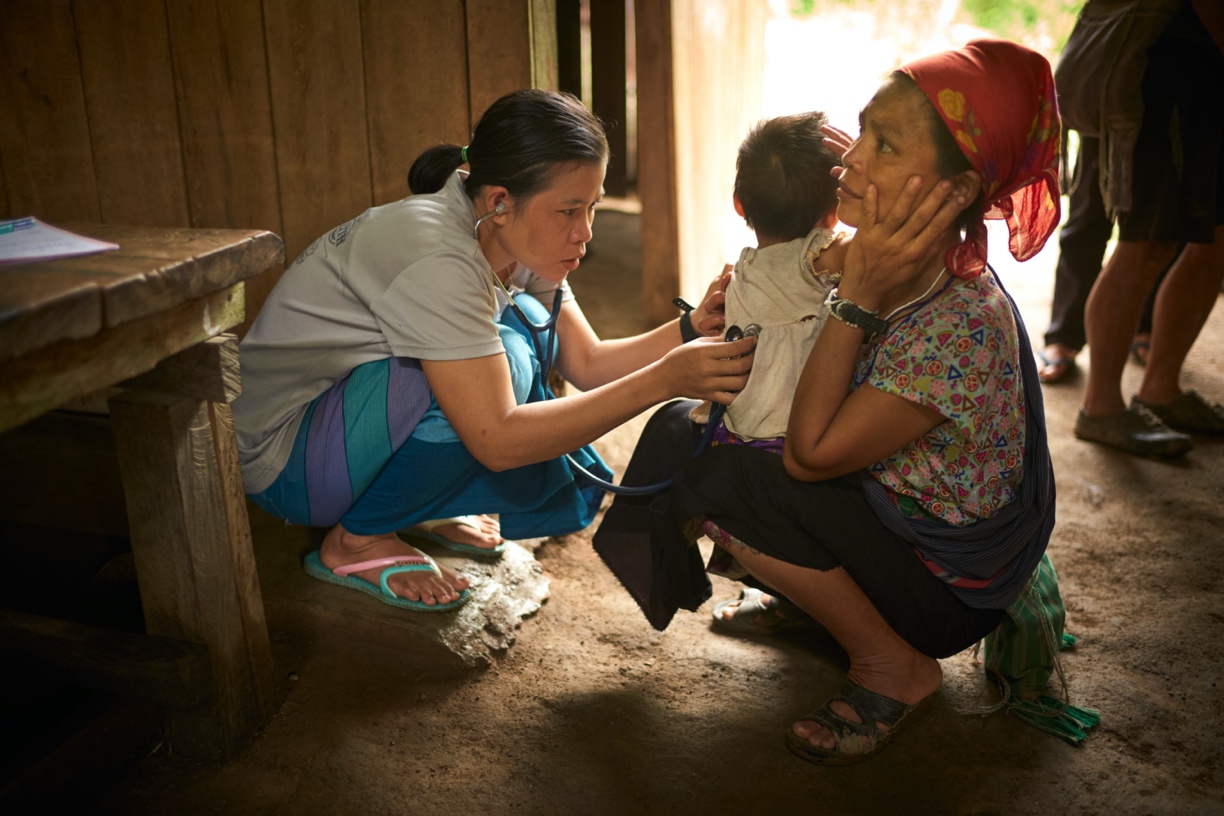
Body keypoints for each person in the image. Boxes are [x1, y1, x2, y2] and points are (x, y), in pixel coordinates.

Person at [594, 39, 1061, 765]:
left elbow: (810, 456)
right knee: (687, 426)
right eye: (862, 129)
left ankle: (894, 666)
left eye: (884, 144)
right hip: (882, 508)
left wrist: (859, 301)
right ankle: (812, 603)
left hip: (946, 592)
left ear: (957, 190)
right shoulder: (879, 256)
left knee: (723, 476)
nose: (849, 163)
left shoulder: (957, 322)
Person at [232, 89, 754, 612]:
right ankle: (356, 540)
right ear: (501, 201)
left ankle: (415, 504)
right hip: (287, 463)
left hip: (345, 429)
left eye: (591, 206)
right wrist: (665, 380)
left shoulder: (507, 231)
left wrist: (689, 328)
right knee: (496, 359)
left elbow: (587, 363)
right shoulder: (438, 256)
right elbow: (496, 440)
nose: (586, 233)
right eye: (569, 211)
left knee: (513, 337)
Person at [1070, 0, 1224, 456]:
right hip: (1162, 67)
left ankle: (1162, 388)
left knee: (1214, 240)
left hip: (1202, 71)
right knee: (1146, 244)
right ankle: (1100, 407)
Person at [691, 111, 847, 445]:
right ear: (836, 212)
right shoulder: (816, 256)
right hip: (790, 435)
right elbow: (877, 244)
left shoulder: (742, 267)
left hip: (731, 428)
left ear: (739, 205)